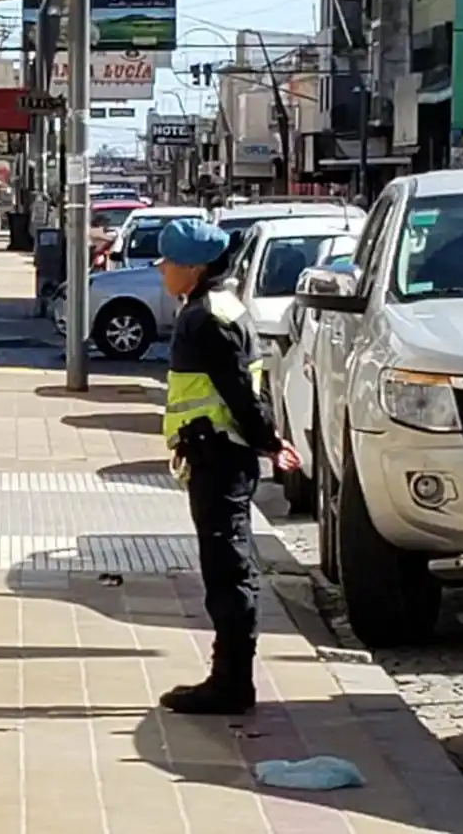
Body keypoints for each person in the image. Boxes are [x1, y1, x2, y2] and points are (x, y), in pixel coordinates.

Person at [154, 218, 301, 715]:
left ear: (193, 268)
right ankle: (229, 676)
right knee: (225, 566)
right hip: (217, 453)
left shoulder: (210, 318)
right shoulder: (212, 307)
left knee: (229, 569)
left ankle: (232, 682)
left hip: (221, 455)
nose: (161, 269)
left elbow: (238, 388)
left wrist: (269, 441)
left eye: (168, 261)